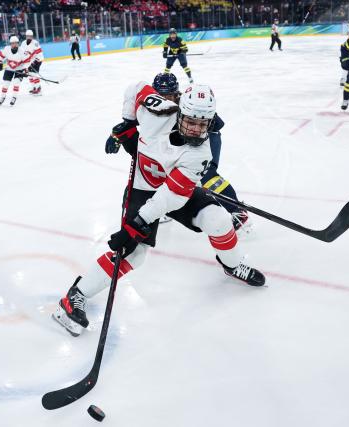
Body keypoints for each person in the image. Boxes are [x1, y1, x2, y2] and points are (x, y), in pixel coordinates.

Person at [53, 82, 266, 337]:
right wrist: (129, 123)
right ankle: (76, 295)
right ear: (180, 113)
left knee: (218, 218)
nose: (197, 129)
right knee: (133, 254)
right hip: (142, 189)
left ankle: (232, 265)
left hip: (173, 191)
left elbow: (169, 198)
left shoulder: (201, 153)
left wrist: (137, 224)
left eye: (203, 124)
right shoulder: (157, 111)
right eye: (191, 121)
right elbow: (134, 89)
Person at [105, 73, 251, 233]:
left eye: (169, 95)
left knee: (208, 175)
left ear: (177, 93)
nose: (165, 98)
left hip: (207, 137)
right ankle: (163, 204)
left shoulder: (187, 106)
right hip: (183, 143)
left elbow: (211, 124)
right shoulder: (158, 107)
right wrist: (118, 134)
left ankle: (237, 211)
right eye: (161, 94)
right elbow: (139, 123)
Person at [0, 35, 30, 106]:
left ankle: (14, 97)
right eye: (13, 43)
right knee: (6, 84)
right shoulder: (6, 49)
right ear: (10, 44)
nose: (14, 45)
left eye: (16, 43)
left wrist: (26, 69)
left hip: (19, 69)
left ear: (18, 43)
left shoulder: (22, 51)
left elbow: (27, 61)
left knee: (16, 83)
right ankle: (2, 97)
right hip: (9, 68)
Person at [21, 29, 44, 95]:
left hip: (38, 59)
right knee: (29, 74)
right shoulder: (23, 43)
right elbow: (22, 53)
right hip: (29, 61)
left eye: (30, 36)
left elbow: (39, 53)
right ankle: (34, 87)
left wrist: (34, 61)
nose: (29, 37)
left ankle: (38, 88)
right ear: (26, 36)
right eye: (28, 36)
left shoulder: (35, 43)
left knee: (33, 73)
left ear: (32, 36)